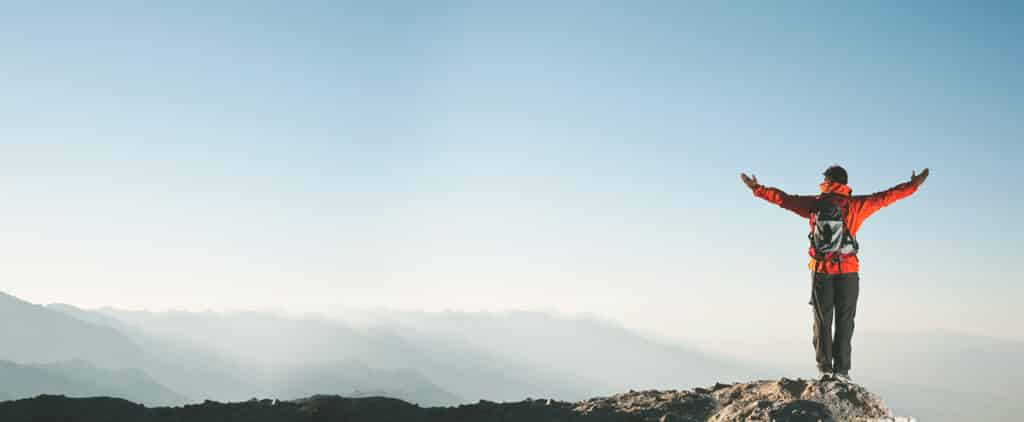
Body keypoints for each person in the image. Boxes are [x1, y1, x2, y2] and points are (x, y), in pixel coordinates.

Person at [739, 165, 929, 382]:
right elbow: (886, 197)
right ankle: (842, 371)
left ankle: (824, 369)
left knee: (822, 318)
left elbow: (784, 199)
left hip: (821, 270)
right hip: (848, 271)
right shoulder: (856, 205)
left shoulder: (814, 204)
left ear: (827, 181)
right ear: (845, 183)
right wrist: (913, 185)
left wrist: (757, 188)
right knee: (845, 319)